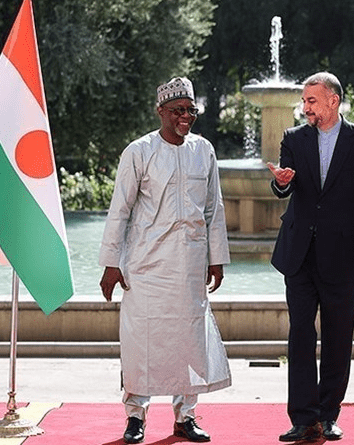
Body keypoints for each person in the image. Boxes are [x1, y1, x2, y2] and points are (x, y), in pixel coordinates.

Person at [99, 77, 231, 444]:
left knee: (189, 339)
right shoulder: (139, 152)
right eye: (177, 111)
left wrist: (216, 258)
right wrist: (112, 262)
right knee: (140, 339)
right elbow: (120, 210)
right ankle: (135, 416)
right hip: (145, 264)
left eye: (191, 110)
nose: (185, 117)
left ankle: (185, 415)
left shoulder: (203, 150)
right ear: (161, 112)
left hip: (189, 265)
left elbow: (213, 209)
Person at [267, 72, 354, 442]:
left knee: (338, 338)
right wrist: (281, 182)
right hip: (298, 255)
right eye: (304, 102)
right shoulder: (293, 139)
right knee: (300, 334)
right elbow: (282, 188)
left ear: (333, 101)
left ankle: (328, 414)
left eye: (312, 101)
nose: (305, 108)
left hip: (343, 256)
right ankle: (303, 418)